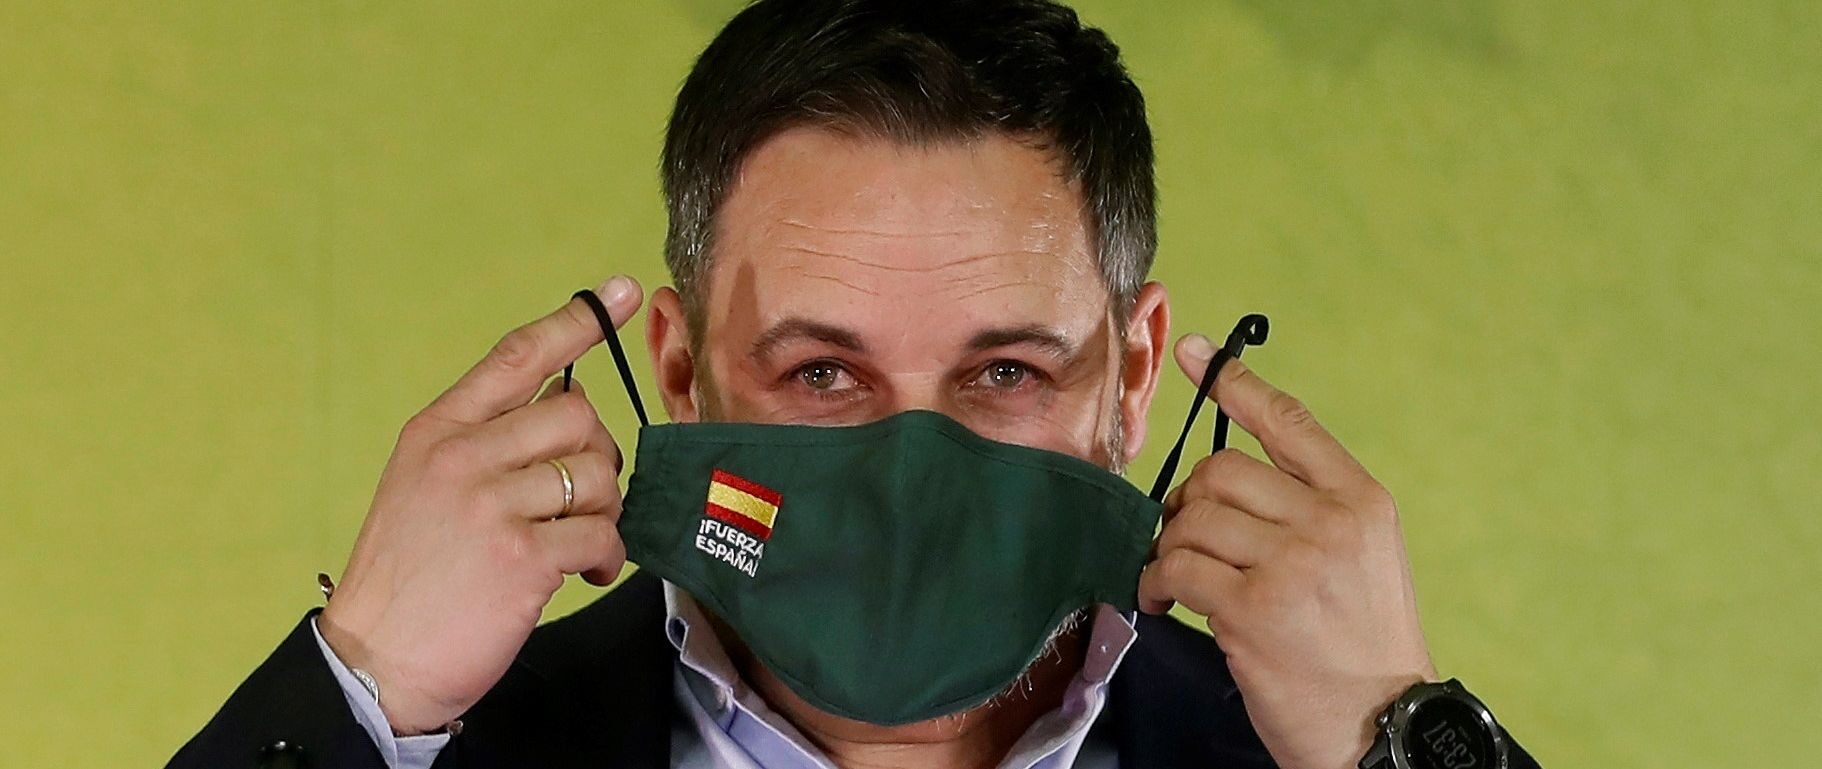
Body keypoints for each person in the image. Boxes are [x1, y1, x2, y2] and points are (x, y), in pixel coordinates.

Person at [170, 1, 1541, 767]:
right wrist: (356, 689)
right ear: (682, 371)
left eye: (1004, 369)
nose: (908, 483)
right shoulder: (447, 753)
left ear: (1132, 376)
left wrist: (1404, 744)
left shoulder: (1321, 759)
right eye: (822, 370)